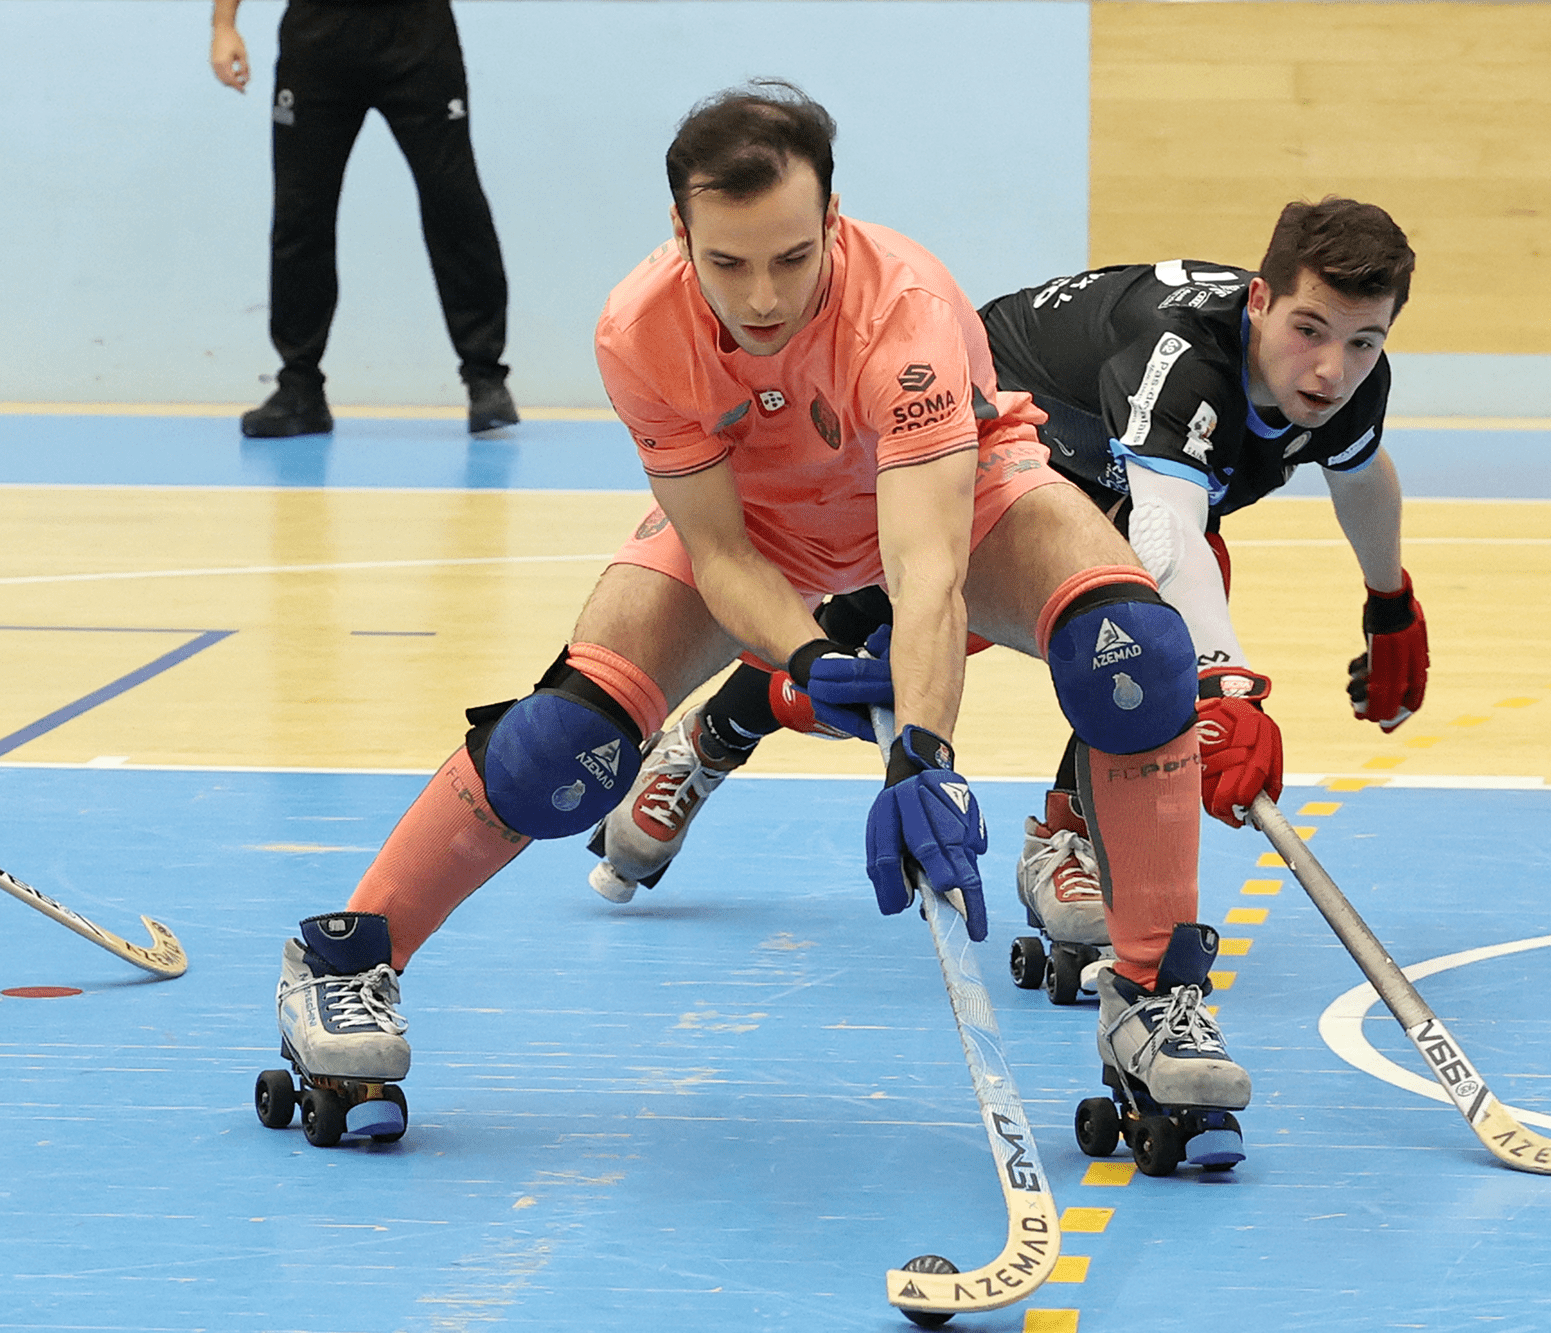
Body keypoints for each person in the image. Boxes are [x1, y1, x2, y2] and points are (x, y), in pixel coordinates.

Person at [265, 81, 1250, 1165]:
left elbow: (926, 571)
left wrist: (924, 755)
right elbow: (723, 553)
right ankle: (344, 961)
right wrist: (808, 654)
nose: (763, 294)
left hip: (965, 500)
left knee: (1134, 652)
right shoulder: (638, 328)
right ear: (680, 233)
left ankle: (1153, 996)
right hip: (760, 524)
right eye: (727, 263)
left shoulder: (908, 313)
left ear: (833, 219)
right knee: (562, 746)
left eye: (791, 257)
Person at [588, 197, 1428, 983]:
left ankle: (1071, 838)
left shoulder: (1349, 378)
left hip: (1110, 473)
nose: (1332, 369)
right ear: (1259, 302)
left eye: (1364, 342)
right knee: (872, 660)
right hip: (1002, 415)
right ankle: (708, 741)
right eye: (1309, 330)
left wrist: (1389, 602)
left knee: (1133, 638)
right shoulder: (1184, 362)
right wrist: (1223, 686)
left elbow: (1359, 474)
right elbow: (1168, 529)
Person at [210, 0, 519, 438]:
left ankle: (485, 378)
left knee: (454, 202)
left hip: (417, 35)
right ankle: (299, 388)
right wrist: (224, 25)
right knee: (301, 215)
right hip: (316, 39)